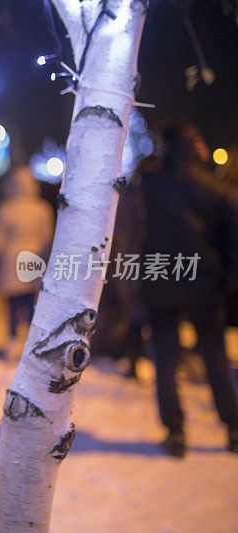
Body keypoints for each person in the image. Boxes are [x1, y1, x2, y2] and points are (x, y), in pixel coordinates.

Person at [140, 122, 238, 458]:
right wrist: (227, 281)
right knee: (214, 356)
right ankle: (233, 427)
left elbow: (134, 232)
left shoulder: (148, 184)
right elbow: (232, 241)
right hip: (204, 284)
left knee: (166, 359)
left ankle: (175, 431)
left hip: (160, 281)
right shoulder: (214, 189)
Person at [0, 165, 54, 360]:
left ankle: (12, 342)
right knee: (33, 304)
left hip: (11, 261)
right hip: (35, 260)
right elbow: (48, 238)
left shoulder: (4, 209)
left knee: (13, 305)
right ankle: (35, 343)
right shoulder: (43, 209)